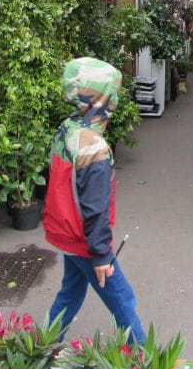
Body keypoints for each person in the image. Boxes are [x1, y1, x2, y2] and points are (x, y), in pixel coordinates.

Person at [43, 57, 146, 344]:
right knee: (122, 300)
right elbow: (94, 207)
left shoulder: (68, 129)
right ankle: (145, 359)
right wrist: (101, 253)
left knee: (71, 292)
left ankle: (43, 348)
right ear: (102, 97)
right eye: (112, 92)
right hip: (86, 240)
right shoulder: (94, 148)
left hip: (65, 231)